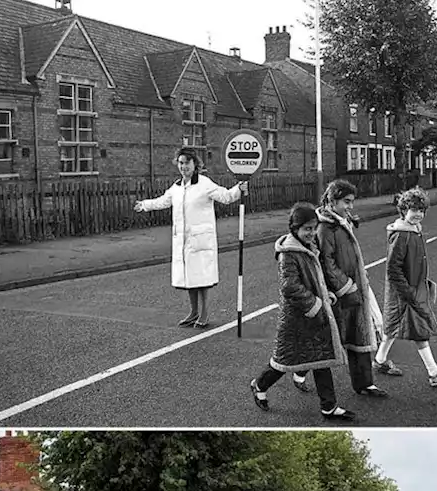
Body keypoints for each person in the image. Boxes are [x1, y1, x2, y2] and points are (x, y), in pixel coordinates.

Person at [249, 203, 355, 421]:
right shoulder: (288, 253)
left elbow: (315, 277)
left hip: (314, 316)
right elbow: (289, 287)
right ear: (294, 228)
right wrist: (316, 303)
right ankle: (259, 384)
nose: (311, 233)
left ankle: (329, 406)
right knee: (284, 361)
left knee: (321, 359)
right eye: (306, 228)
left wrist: (327, 295)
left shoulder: (308, 246)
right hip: (297, 318)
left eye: (314, 227)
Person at [133, 147, 246, 328]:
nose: (183, 166)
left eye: (187, 162)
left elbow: (226, 196)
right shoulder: (177, 187)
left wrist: (239, 188)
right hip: (183, 240)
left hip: (200, 239)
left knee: (202, 279)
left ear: (195, 164)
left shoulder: (204, 183)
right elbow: (163, 200)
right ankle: (193, 312)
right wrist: (145, 205)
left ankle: (204, 313)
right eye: (180, 163)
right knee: (189, 279)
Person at [304, 180, 388, 400]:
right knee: (332, 340)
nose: (351, 206)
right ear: (332, 201)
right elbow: (326, 262)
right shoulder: (325, 227)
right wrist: (345, 286)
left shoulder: (341, 221)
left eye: (352, 202)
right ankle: (300, 370)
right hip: (340, 293)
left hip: (355, 287)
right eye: (346, 202)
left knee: (359, 334)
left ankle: (365, 384)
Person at [379, 188, 437, 388]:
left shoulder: (414, 230)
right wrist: (408, 293)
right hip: (406, 293)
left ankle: (379, 360)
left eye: (422, 210)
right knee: (420, 330)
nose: (419, 214)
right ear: (403, 209)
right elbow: (393, 269)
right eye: (414, 209)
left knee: (392, 327)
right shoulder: (401, 234)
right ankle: (434, 373)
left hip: (411, 289)